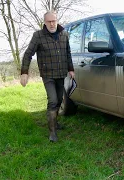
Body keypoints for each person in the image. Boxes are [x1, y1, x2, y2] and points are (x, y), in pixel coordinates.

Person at [20, 11, 75, 142]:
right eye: (49, 21)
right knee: (53, 101)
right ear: (44, 22)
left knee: (60, 100)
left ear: (57, 20)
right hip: (48, 75)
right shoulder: (38, 36)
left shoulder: (64, 34)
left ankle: (54, 122)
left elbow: (68, 53)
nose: (51, 24)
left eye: (53, 21)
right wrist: (24, 72)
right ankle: (52, 132)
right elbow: (28, 54)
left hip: (61, 74)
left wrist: (71, 69)